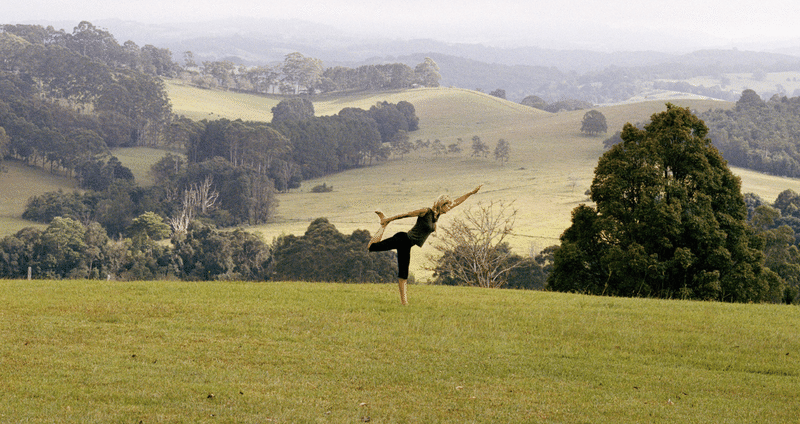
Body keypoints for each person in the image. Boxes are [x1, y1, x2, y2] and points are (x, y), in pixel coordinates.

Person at [368, 185, 482, 305]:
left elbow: (457, 202)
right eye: (447, 205)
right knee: (372, 247)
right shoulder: (426, 211)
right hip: (402, 240)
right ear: (441, 204)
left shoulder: (437, 215)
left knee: (403, 274)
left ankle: (404, 303)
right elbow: (406, 214)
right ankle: (383, 225)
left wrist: (471, 193)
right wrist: (388, 219)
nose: (449, 207)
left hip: (407, 244)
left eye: (449, 205)